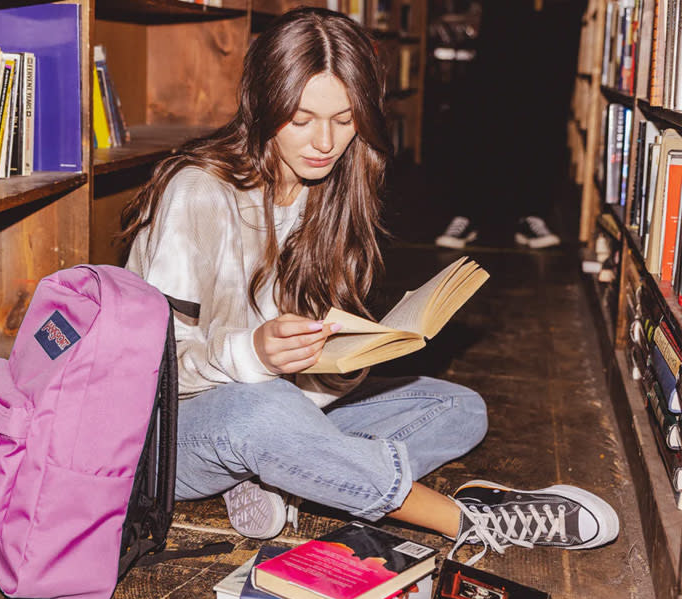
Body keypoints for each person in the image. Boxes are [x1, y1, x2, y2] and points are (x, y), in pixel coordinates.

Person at [122, 6, 618, 564]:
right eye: (302, 117)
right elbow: (149, 377)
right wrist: (254, 353)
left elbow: (305, 383)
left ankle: (291, 473)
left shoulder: (332, 192)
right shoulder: (197, 192)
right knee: (257, 412)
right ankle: (474, 520)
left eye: (345, 117)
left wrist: (348, 360)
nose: (325, 142)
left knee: (459, 407)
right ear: (263, 102)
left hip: (285, 412)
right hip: (176, 437)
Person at [434, 0, 586, 250]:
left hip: (558, 14)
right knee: (485, 108)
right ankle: (468, 211)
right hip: (508, 12)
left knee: (548, 111)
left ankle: (532, 213)